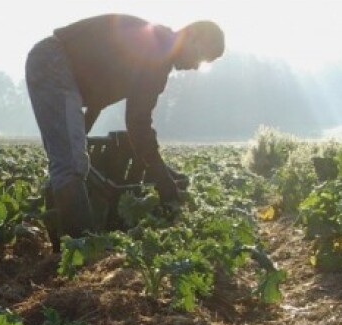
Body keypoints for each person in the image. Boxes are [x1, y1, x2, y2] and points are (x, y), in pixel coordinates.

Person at [26, 14, 225, 239]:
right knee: (71, 163)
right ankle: (81, 248)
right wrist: (163, 180)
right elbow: (138, 122)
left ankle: (70, 233)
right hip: (54, 60)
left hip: (56, 63)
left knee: (71, 158)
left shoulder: (157, 47)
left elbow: (99, 97)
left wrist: (80, 133)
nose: (196, 67)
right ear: (191, 35)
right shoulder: (157, 50)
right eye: (200, 56)